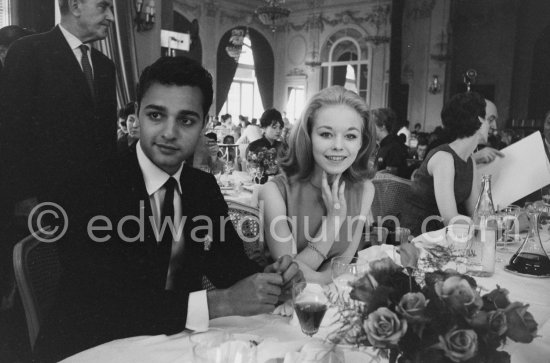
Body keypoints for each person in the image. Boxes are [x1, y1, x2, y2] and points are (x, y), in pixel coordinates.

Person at [33, 56, 302, 362]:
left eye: (186, 120)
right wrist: (222, 304)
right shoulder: (90, 187)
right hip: (89, 346)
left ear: (204, 124)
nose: (169, 132)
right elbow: (106, 306)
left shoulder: (202, 187)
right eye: (156, 115)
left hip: (175, 343)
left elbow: (230, 268)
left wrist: (270, 279)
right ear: (137, 115)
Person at [0, 0, 117, 221]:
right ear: (75, 6)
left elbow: (106, 140)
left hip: (93, 206)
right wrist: (24, 198)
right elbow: (10, 134)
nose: (111, 16)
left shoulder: (105, 66)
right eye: (103, 7)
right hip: (42, 204)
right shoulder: (28, 52)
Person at [259, 86, 376, 284]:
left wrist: (318, 277)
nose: (338, 146)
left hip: (334, 300)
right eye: (326, 134)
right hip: (283, 306)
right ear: (308, 137)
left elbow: (343, 263)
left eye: (350, 136)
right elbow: (289, 277)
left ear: (361, 143)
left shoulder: (364, 190)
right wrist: (333, 221)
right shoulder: (274, 192)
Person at [400, 92, 496, 236]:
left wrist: (496, 222)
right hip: (419, 238)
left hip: (443, 236)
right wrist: (496, 226)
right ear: (479, 120)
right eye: (489, 120)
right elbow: (451, 221)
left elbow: (475, 214)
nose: (493, 126)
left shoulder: (470, 161)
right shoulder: (444, 159)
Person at [372, 108, 409, 178]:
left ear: (382, 126)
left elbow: (391, 181)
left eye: (371, 125)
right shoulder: (383, 146)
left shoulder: (393, 148)